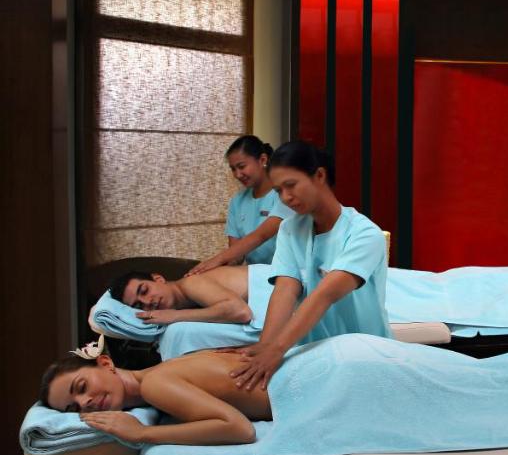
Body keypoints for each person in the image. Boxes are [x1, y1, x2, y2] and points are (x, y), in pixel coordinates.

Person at [231, 140, 391, 391]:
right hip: (311, 353)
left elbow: (325, 295)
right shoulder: (290, 229)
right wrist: (266, 346)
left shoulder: (364, 234)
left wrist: (276, 349)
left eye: (291, 185)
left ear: (319, 175)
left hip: (363, 355)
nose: (286, 198)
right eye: (278, 191)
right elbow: (285, 289)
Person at [41, 342, 266, 445]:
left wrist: (143, 433)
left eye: (81, 387)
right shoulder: (165, 370)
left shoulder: (153, 385)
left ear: (106, 363)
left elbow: (240, 429)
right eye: (75, 408)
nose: (85, 402)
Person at [187, 136, 293, 276]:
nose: (237, 174)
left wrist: (218, 259)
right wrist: (220, 266)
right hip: (253, 275)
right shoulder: (237, 201)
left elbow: (261, 235)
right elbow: (236, 254)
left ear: (263, 160)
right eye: (233, 169)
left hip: (286, 274)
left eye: (242, 167)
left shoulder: (284, 194)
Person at [110, 266, 252, 326]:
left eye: (144, 291)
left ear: (158, 279)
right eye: (139, 305)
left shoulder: (190, 283)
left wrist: (175, 316)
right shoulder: (191, 303)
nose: (147, 302)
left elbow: (241, 312)